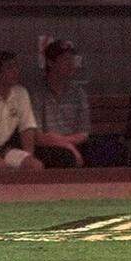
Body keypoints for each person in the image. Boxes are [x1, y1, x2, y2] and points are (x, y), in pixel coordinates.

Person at [31, 40, 95, 168]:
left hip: (73, 143)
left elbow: (84, 132)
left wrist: (66, 143)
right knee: (64, 157)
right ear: (50, 62)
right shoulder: (37, 93)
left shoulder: (78, 92)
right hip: (47, 146)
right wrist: (66, 146)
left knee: (102, 151)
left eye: (73, 59)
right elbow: (37, 137)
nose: (71, 64)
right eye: (66, 60)